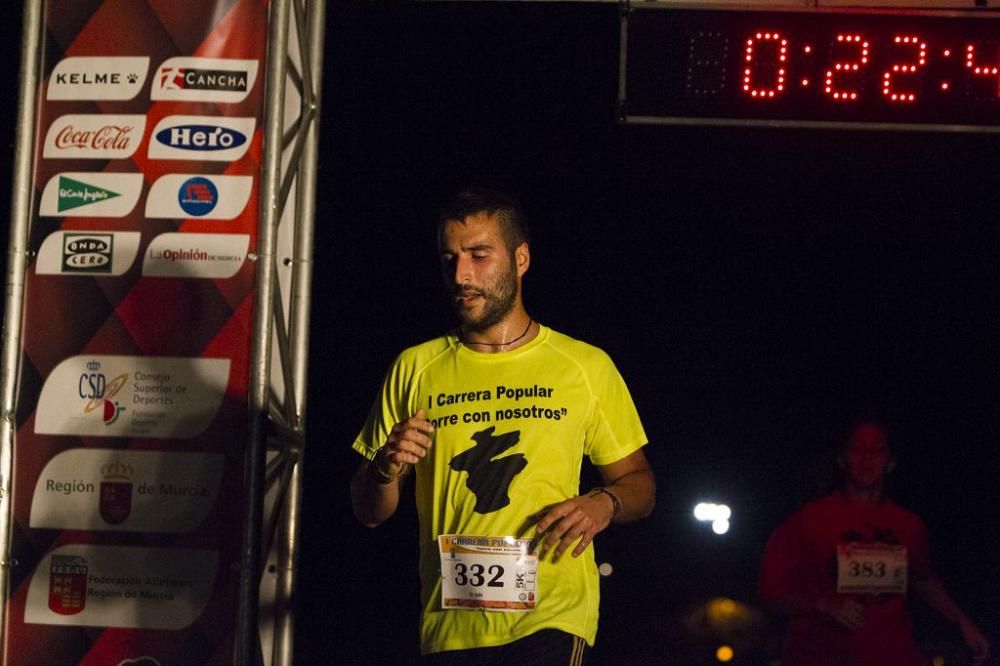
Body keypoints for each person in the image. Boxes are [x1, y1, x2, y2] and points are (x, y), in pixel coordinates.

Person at [350, 187, 655, 663]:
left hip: (551, 615)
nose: (461, 275)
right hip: (450, 624)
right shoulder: (415, 367)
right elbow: (369, 510)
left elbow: (640, 484)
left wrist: (605, 504)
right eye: (449, 258)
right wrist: (383, 470)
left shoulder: (582, 366)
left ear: (521, 258)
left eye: (478, 255)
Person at [758, 421, 990, 665]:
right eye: (857, 449)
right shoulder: (807, 521)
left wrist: (962, 622)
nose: (867, 459)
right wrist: (823, 604)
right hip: (820, 657)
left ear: (891, 462)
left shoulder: (908, 525)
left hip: (892, 657)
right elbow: (770, 596)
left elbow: (922, 578)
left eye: (877, 450)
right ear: (841, 459)